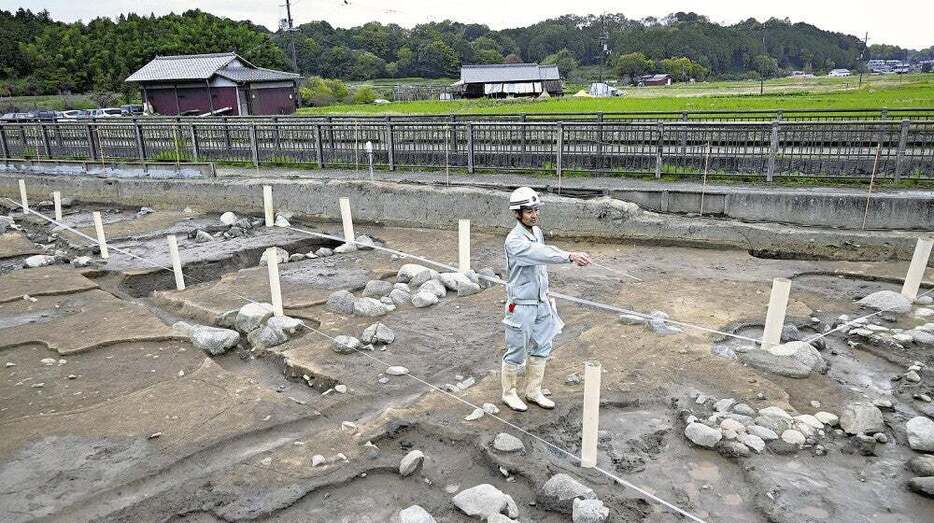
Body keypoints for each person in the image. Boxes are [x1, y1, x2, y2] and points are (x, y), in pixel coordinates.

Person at [501, 187, 592, 412]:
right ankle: (509, 393)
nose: (534, 214)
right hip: (521, 304)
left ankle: (533, 391)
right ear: (517, 214)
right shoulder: (514, 240)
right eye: (529, 211)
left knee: (542, 346)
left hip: (541, 302)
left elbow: (541, 261)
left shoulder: (537, 232)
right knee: (517, 350)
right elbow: (539, 254)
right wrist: (569, 256)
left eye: (536, 210)